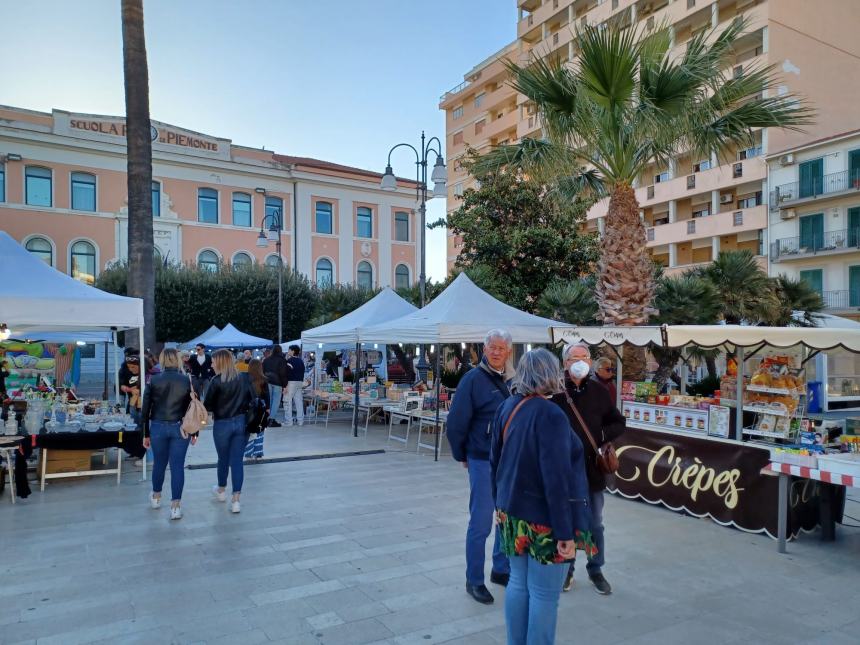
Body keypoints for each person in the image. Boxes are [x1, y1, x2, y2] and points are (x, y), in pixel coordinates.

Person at [491, 348, 592, 645]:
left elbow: (494, 463)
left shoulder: (508, 406)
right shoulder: (551, 414)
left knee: (519, 585)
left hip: (511, 513)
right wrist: (565, 532)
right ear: (550, 373)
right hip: (544, 521)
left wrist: (498, 505)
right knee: (545, 595)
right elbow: (556, 479)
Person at [552, 343, 626, 595]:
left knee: (595, 523)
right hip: (563, 471)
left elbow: (618, 422)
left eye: (585, 356)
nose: (580, 361)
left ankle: (596, 569)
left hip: (592, 471)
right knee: (566, 523)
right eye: (575, 357)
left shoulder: (598, 390)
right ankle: (566, 569)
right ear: (565, 363)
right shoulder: (553, 391)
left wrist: (601, 435)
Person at [446, 328, 513, 605]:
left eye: (501, 348)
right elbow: (456, 422)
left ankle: (500, 569)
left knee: (505, 518)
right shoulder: (472, 379)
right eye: (492, 347)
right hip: (482, 460)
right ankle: (474, 580)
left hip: (506, 462)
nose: (496, 352)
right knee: (481, 522)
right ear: (484, 350)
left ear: (509, 351)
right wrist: (462, 454)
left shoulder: (510, 380)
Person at [140, 348, 197, 520]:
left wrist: (145, 433)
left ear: (163, 360)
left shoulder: (153, 380)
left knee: (159, 464)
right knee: (177, 466)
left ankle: (156, 497)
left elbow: (145, 410)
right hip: (181, 427)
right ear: (178, 360)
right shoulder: (186, 380)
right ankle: (175, 506)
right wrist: (196, 433)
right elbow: (193, 408)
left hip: (157, 426)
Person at [204, 348, 256, 514]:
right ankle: (236, 500)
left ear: (219, 362)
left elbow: (208, 406)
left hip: (222, 425)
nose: (211, 364)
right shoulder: (244, 378)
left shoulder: (216, 381)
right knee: (237, 461)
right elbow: (252, 399)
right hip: (241, 422)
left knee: (223, 459)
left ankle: (221, 490)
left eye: (212, 361)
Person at [244, 358, 270, 460]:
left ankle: (248, 453)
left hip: (249, 408)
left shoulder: (246, 379)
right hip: (261, 409)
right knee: (260, 429)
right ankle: (258, 453)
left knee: (249, 431)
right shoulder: (264, 379)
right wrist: (268, 408)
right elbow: (267, 396)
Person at [262, 345, 289, 427]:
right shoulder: (282, 360)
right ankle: (271, 420)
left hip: (267, 382)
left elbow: (262, 371)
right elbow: (283, 373)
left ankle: (267, 419)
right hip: (278, 383)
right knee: (276, 402)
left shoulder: (266, 360)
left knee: (269, 401)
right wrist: (285, 385)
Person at [284, 345, 306, 426]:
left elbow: (287, 373)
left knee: (287, 401)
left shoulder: (289, 361)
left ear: (293, 351)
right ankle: (300, 421)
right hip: (299, 382)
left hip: (291, 382)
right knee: (299, 402)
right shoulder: (301, 361)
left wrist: (285, 386)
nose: (288, 351)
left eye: (289, 350)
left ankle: (288, 421)